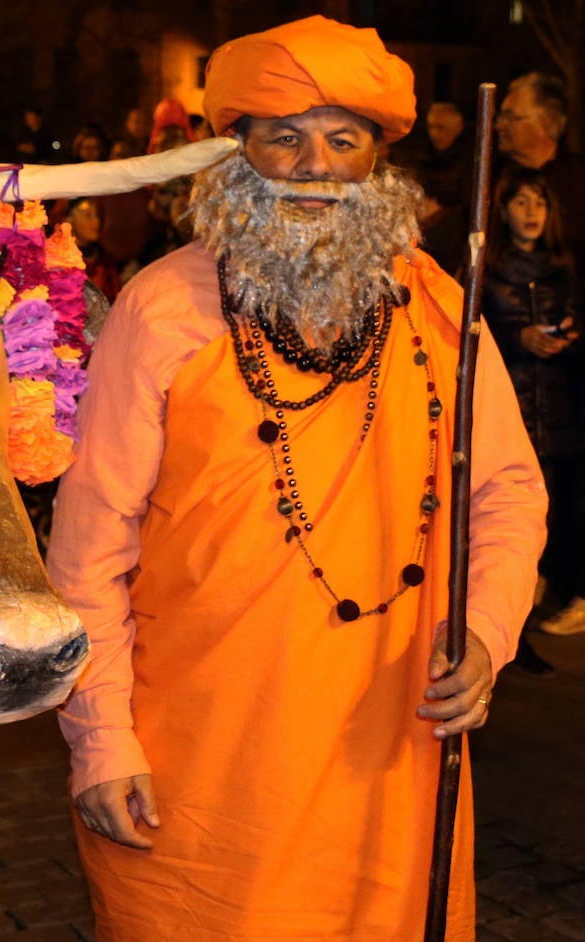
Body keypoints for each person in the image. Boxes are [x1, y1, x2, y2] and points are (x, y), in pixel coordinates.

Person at [48, 16, 547, 941]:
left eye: (343, 138)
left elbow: (508, 493)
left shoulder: (440, 306)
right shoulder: (162, 310)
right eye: (284, 135)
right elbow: (87, 552)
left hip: (389, 764)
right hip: (201, 771)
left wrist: (484, 631)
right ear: (238, 152)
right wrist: (102, 738)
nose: (314, 164)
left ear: (378, 162)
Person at [480, 168, 585, 637]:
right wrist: (518, 338)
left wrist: (569, 338)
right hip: (512, 405)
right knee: (509, 513)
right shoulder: (487, 268)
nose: (531, 214)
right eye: (521, 203)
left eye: (539, 205)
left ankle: (554, 590)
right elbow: (472, 335)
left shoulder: (564, 268)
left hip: (561, 405)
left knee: (563, 506)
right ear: (505, 211)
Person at [496, 72, 585, 263]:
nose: (498, 126)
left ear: (544, 122)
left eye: (510, 118)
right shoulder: (492, 178)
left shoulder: (577, 181)